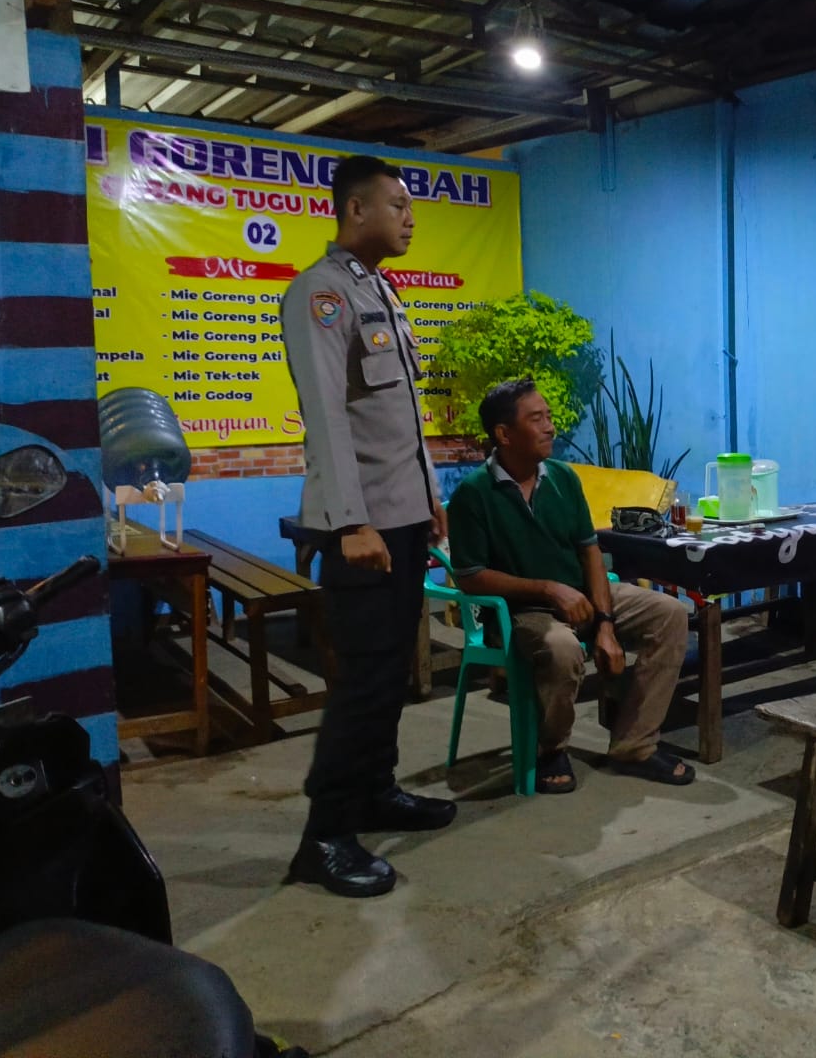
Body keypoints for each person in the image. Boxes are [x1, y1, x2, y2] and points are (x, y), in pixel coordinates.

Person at [279, 155, 454, 899]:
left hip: (403, 519)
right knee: (362, 680)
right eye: (398, 205)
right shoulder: (319, 294)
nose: (410, 218)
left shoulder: (378, 289)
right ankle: (323, 836)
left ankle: (376, 792)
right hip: (363, 529)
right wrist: (351, 522)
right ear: (356, 210)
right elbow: (326, 416)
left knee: (391, 675)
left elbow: (398, 416)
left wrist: (430, 498)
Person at [445, 378, 693, 793]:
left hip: (581, 595)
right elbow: (470, 576)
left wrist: (605, 623)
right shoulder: (474, 495)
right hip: (519, 612)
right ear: (503, 434)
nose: (550, 427)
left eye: (549, 417)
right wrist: (547, 589)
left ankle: (634, 744)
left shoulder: (562, 478)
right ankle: (551, 749)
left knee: (668, 614)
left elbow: (589, 551)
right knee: (561, 648)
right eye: (536, 419)